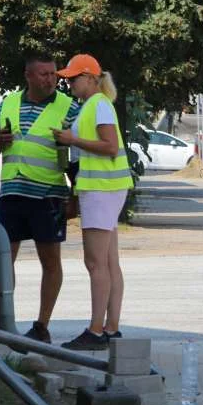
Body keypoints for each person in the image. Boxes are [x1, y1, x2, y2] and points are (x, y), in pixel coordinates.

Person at [0, 52, 80, 344]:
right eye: (44, 74)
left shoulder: (69, 108)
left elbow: (77, 156)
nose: (50, 79)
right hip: (12, 191)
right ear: (28, 75)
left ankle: (42, 325)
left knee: (50, 261)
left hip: (49, 194)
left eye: (53, 73)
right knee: (5, 258)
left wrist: (75, 196)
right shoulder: (6, 103)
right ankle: (4, 319)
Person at [52, 54, 134, 350]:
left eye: (73, 78)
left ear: (89, 77)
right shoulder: (95, 105)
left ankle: (96, 330)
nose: (68, 82)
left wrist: (72, 141)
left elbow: (110, 146)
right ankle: (110, 328)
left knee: (95, 263)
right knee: (109, 262)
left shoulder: (98, 105)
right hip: (106, 189)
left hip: (101, 190)